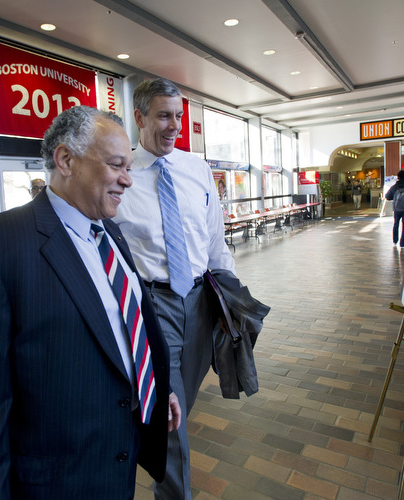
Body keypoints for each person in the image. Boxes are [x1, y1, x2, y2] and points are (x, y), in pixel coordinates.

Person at [0, 105, 181, 498]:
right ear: (66, 160)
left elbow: (123, 326)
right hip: (53, 483)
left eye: (129, 167)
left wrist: (152, 384)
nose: (127, 180)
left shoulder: (110, 234)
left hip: (115, 464)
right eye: (117, 165)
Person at [114, 78, 237, 500]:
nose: (174, 126)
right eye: (164, 116)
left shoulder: (196, 168)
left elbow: (214, 238)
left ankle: (154, 452)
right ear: (139, 117)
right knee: (170, 415)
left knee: (180, 401)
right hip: (153, 303)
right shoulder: (122, 173)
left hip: (200, 299)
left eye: (179, 116)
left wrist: (230, 293)